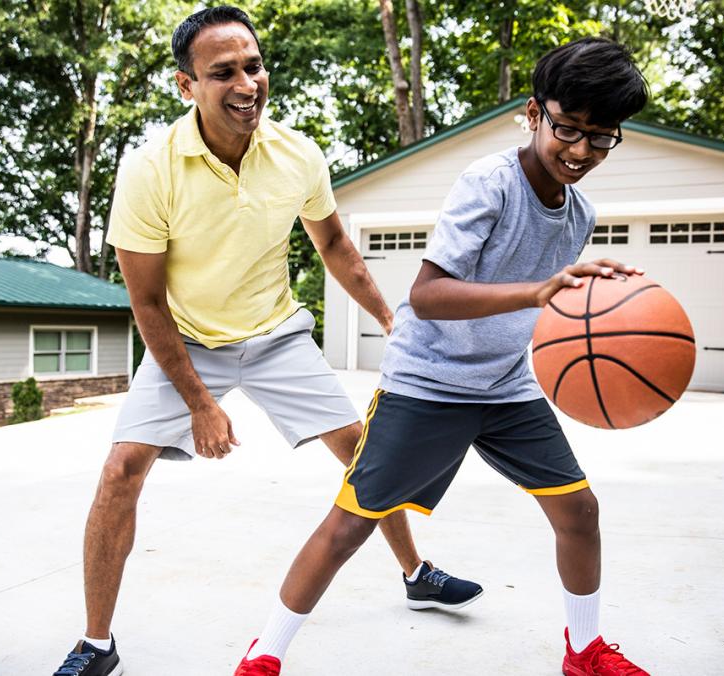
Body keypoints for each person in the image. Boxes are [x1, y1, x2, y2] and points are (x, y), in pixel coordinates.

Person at [50, 7, 481, 676]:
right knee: (118, 472)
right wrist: (199, 402)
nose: (245, 83)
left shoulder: (296, 154)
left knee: (368, 457)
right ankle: (96, 644)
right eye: (222, 72)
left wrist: (390, 319)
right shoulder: (149, 169)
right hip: (187, 339)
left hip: (277, 334)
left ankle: (416, 573)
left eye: (252, 65)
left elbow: (334, 243)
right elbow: (146, 299)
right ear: (185, 85)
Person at [235, 37, 652, 676]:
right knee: (351, 524)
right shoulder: (489, 183)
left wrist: (596, 305)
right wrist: (537, 291)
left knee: (579, 510)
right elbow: (427, 296)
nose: (580, 150)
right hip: (427, 383)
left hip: (507, 386)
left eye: (602, 138)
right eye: (568, 128)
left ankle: (585, 649)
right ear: (536, 113)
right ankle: (264, 655)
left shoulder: (579, 213)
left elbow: (548, 302)